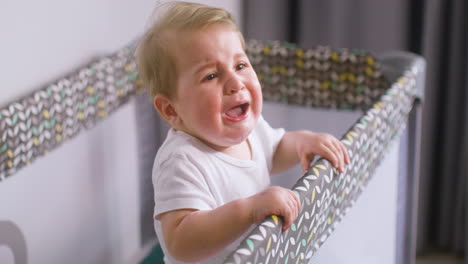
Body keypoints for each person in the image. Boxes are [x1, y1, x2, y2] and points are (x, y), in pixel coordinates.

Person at [136, 2, 350, 263]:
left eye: (240, 66)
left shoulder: (252, 129)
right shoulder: (182, 161)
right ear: (171, 110)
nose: (235, 83)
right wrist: (249, 210)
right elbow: (181, 241)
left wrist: (303, 142)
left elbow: (276, 149)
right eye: (211, 76)